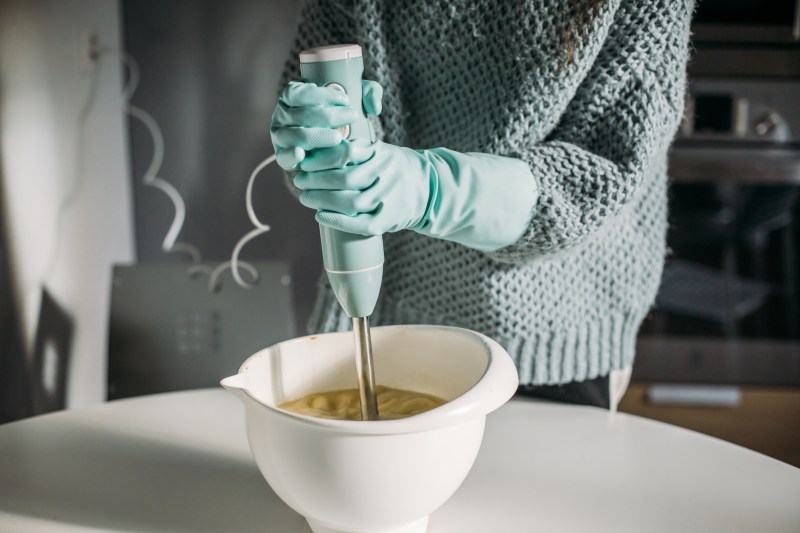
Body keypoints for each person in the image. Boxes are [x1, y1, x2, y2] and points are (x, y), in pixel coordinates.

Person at [270, 0, 695, 409]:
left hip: (553, 332)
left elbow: (604, 170)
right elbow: (326, 91)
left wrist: (432, 190)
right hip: (393, 315)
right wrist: (319, 149)